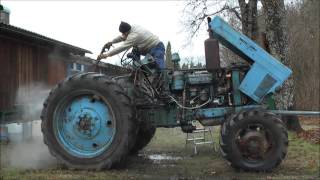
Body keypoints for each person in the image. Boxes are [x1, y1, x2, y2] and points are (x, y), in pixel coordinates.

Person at [97, 21, 165, 69]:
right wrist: (111, 42)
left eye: (123, 33)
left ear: (126, 32)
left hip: (157, 47)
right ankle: (136, 70)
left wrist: (106, 55)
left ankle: (164, 86)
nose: (123, 35)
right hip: (146, 48)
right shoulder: (131, 28)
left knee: (158, 67)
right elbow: (122, 37)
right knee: (135, 51)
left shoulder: (134, 36)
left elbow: (122, 47)